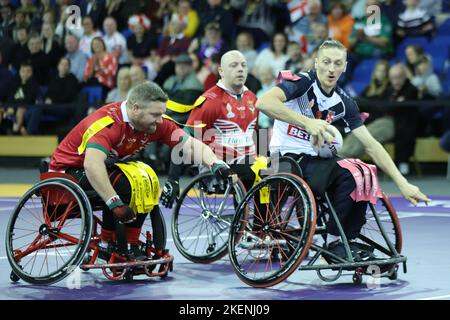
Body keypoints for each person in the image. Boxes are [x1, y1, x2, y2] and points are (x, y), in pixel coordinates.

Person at [256, 40, 429, 260]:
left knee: (363, 171)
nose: (331, 68)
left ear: (345, 66)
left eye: (337, 63)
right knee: (350, 170)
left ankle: (345, 239)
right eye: (326, 62)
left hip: (316, 160)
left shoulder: (344, 101)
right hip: (284, 158)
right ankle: (336, 242)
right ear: (316, 62)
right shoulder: (300, 83)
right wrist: (306, 123)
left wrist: (402, 183)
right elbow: (264, 103)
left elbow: (371, 145)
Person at [47, 81, 232, 260]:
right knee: (124, 183)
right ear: (135, 108)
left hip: (104, 167)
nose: (160, 120)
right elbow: (92, 165)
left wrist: (215, 163)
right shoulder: (107, 124)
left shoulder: (156, 123)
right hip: (68, 172)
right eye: (155, 115)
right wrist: (114, 203)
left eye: (162, 114)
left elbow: (190, 145)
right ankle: (106, 243)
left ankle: (131, 242)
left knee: (146, 178)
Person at [160, 50, 260, 209]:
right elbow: (184, 139)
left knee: (278, 168)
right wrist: (173, 179)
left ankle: (265, 228)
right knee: (256, 170)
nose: (240, 69)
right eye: (233, 65)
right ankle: (243, 228)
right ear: (221, 71)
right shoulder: (210, 101)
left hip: (250, 160)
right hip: (218, 166)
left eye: (243, 65)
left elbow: (258, 134)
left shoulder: (252, 98)